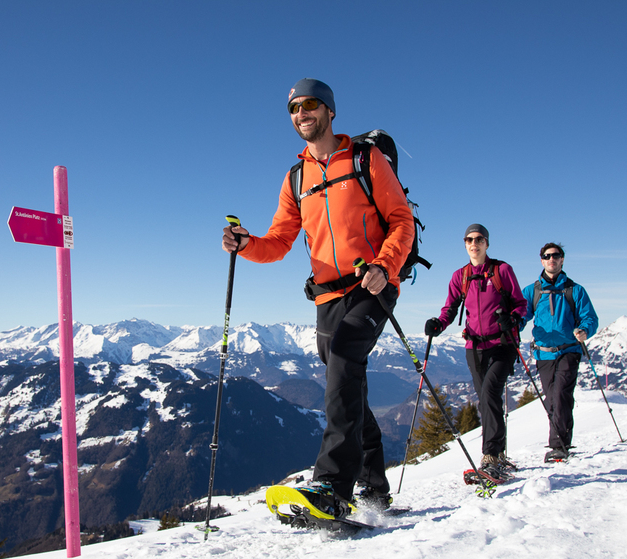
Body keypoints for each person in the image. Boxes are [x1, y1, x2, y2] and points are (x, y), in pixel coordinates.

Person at [221, 78, 414, 518]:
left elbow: (401, 220)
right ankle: (376, 489)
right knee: (346, 385)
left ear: (329, 111)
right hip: (326, 296)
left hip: (372, 285)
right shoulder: (295, 178)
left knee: (346, 357)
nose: (301, 114)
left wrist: (385, 265)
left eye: (309, 105)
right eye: (293, 109)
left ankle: (331, 488)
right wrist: (245, 243)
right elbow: (278, 242)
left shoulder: (367, 159)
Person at [424, 224, 526, 473]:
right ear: (465, 243)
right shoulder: (461, 276)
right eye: (469, 239)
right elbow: (450, 308)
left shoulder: (502, 270)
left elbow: (521, 304)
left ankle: (490, 456)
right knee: (485, 400)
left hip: (503, 344)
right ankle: (499, 452)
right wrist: (439, 323)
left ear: (487, 243)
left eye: (479, 239)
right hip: (475, 346)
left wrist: (512, 318)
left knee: (490, 393)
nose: (474, 243)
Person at [520, 243, 599, 462]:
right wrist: (512, 326)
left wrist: (585, 330)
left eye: (556, 256)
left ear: (562, 259)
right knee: (552, 399)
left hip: (569, 350)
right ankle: (560, 440)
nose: (551, 259)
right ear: (542, 260)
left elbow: (590, 317)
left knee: (562, 394)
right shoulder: (532, 291)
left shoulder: (575, 290)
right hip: (544, 354)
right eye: (547, 256)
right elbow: (521, 315)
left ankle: (559, 446)